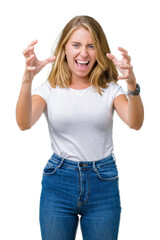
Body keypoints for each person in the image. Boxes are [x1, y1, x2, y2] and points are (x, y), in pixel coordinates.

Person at [16, 15, 144, 240]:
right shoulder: (49, 90)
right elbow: (24, 123)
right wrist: (27, 78)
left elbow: (135, 123)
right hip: (58, 182)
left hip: (102, 182)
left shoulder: (110, 90)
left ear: (100, 51)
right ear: (64, 49)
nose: (83, 53)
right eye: (76, 45)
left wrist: (131, 84)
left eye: (91, 46)